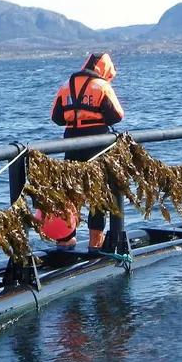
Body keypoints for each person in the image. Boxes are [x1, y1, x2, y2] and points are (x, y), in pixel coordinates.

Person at [49, 52, 125, 252]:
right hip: (97, 141)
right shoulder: (101, 86)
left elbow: (56, 117)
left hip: (71, 142)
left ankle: (65, 241)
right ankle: (95, 243)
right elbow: (117, 116)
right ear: (105, 69)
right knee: (97, 193)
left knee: (70, 192)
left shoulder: (67, 84)